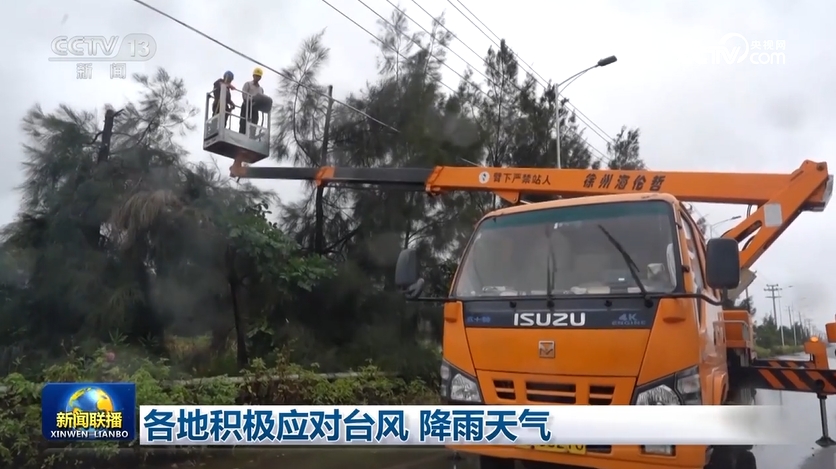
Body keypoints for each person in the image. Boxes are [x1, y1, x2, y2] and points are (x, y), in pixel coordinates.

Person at [239, 67, 265, 135]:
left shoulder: (260, 89)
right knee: (243, 123)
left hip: (255, 109)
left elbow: (261, 99)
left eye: (259, 76)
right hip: (246, 106)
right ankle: (242, 135)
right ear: (253, 76)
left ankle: (251, 136)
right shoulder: (248, 84)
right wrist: (252, 100)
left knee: (254, 123)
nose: (257, 77)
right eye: (256, 75)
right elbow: (244, 95)